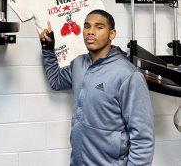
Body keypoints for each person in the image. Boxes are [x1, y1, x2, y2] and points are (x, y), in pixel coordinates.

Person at [39, 9, 155, 166]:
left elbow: (142, 138)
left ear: (112, 34)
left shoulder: (128, 75)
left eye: (99, 27)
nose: (90, 32)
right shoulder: (79, 64)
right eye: (87, 26)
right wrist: (47, 48)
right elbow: (56, 81)